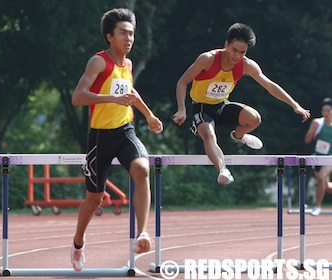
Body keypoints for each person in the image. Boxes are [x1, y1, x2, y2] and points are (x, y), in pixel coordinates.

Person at [70, 8, 163, 272]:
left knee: (142, 169)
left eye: (131, 33)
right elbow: (79, 97)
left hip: (125, 131)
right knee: (94, 201)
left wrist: (149, 115)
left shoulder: (128, 65)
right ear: (110, 36)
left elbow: (130, 92)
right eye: (123, 33)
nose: (129, 38)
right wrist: (110, 99)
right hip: (99, 136)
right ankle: (78, 242)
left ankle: (142, 233)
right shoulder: (98, 62)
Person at [173, 22, 311, 185]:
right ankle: (223, 170)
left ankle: (238, 136)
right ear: (226, 45)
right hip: (202, 108)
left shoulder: (247, 65)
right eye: (234, 50)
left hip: (222, 106)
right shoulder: (208, 59)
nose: (237, 56)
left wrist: (295, 105)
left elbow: (270, 85)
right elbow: (182, 82)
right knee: (209, 134)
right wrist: (181, 109)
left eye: (242, 52)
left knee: (255, 118)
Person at [304, 98, 332, 216]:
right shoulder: (317, 123)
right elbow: (307, 140)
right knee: (326, 187)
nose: (325, 113)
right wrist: (313, 130)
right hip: (318, 157)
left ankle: (317, 206)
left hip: (330, 157)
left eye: (328, 110)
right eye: (323, 110)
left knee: (321, 176)